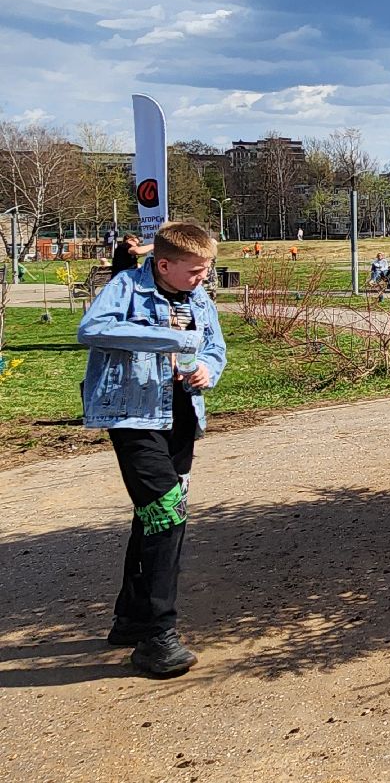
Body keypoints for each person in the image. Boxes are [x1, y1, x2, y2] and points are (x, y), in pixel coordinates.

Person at [77, 221, 226, 678]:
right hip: (132, 417)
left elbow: (215, 346)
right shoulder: (125, 287)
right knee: (166, 514)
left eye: (206, 270)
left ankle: (132, 618)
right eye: (195, 270)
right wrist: (174, 341)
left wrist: (205, 367)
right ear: (163, 264)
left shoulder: (200, 298)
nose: (203, 278)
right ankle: (158, 638)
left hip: (182, 420)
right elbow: (92, 329)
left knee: (155, 516)